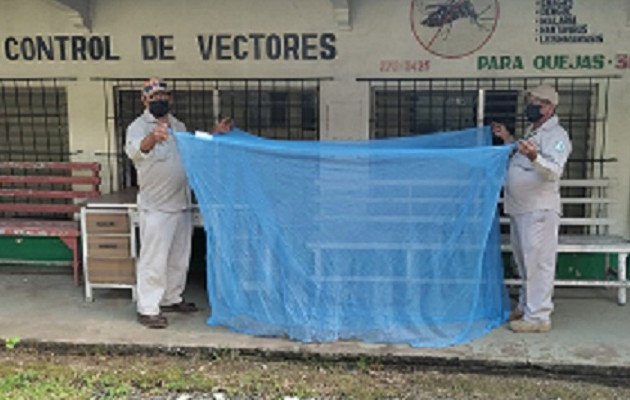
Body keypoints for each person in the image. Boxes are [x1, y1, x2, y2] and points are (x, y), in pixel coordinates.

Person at [125, 78, 233, 329]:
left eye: (163, 96)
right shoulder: (138, 127)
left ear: (170, 99)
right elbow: (135, 151)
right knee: (154, 258)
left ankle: (172, 298)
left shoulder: (178, 125)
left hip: (181, 202)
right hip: (156, 205)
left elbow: (193, 147)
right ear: (144, 101)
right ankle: (148, 308)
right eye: (153, 97)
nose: (159, 100)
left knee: (178, 256)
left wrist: (215, 134)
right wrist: (152, 138)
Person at [492, 84, 572, 333]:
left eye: (536, 102)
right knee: (524, 261)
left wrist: (534, 157)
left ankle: (538, 317)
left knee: (538, 262)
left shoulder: (557, 136)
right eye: (530, 101)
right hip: (520, 208)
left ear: (549, 107)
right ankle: (527, 305)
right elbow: (522, 155)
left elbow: (554, 171)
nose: (531, 106)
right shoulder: (532, 131)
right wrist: (508, 140)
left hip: (539, 210)